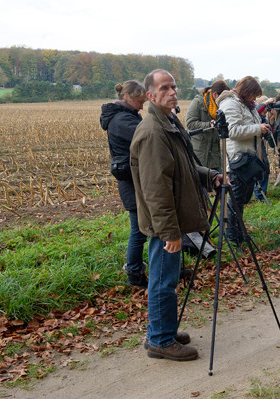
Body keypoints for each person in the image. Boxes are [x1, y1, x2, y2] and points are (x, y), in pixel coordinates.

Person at [130, 69, 223, 361]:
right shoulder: (154, 132)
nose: (172, 91)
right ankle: (159, 340)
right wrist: (170, 232)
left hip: (171, 221)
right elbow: (156, 189)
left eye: (174, 86)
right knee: (162, 280)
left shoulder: (168, 122)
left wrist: (211, 176)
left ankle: (162, 331)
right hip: (164, 225)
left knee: (165, 278)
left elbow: (182, 168)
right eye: (165, 87)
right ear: (150, 95)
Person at [100, 81, 148, 289]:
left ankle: (154, 268)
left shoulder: (126, 116)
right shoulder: (122, 121)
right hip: (132, 181)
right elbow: (149, 136)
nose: (142, 106)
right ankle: (134, 274)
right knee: (138, 230)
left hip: (137, 178)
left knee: (149, 228)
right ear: (127, 97)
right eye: (140, 101)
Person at [216, 76, 270, 245]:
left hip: (249, 158)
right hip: (238, 160)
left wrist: (262, 130)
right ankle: (232, 238)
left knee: (243, 200)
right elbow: (232, 131)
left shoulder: (247, 105)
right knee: (236, 201)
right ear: (246, 92)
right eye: (254, 95)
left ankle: (239, 235)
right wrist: (257, 128)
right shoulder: (230, 104)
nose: (255, 99)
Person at [185, 80, 230, 171]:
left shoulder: (222, 107)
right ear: (215, 95)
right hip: (200, 155)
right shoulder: (198, 102)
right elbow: (190, 123)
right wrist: (209, 124)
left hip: (215, 157)